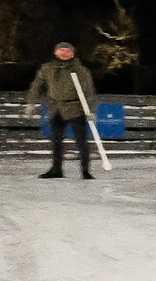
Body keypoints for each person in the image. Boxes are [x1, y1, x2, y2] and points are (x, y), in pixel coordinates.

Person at [22, 43, 99, 180]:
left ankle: (85, 170)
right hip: (56, 109)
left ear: (72, 53)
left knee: (81, 141)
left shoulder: (80, 70)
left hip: (75, 108)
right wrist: (31, 102)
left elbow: (89, 91)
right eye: (61, 50)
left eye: (67, 51)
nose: (64, 53)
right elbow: (37, 86)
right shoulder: (48, 68)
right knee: (56, 141)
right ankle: (56, 169)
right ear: (56, 53)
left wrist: (91, 110)